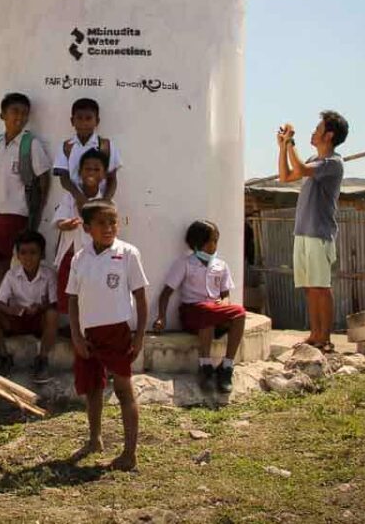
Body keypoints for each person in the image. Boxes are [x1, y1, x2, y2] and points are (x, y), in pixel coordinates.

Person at [66, 200, 148, 471]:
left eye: (112, 221)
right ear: (87, 227)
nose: (109, 227)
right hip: (88, 333)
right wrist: (76, 336)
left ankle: (129, 453)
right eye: (101, 223)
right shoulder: (79, 258)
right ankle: (94, 439)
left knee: (124, 391)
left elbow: (140, 296)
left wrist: (139, 337)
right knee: (92, 389)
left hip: (117, 332)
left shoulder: (128, 253)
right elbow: (73, 300)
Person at [277, 110, 348, 352]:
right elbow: (285, 176)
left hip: (319, 233)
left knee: (321, 286)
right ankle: (315, 334)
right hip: (303, 232)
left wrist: (290, 143)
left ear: (329, 135)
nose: (314, 132)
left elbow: (299, 168)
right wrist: (282, 147)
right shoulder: (314, 160)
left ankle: (325, 338)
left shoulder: (332, 163)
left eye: (318, 129)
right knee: (309, 286)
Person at [153, 221, 246, 393]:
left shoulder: (221, 265)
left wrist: (225, 303)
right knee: (206, 311)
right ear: (196, 243)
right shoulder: (185, 263)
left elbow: (225, 294)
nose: (213, 246)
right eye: (209, 241)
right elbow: (166, 293)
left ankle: (226, 366)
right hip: (193, 313)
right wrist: (161, 317)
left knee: (239, 312)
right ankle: (205, 365)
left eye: (216, 241)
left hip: (212, 311)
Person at [0, 92, 52, 315]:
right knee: (1, 261)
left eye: (24, 113)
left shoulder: (31, 144)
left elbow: (44, 177)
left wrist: (36, 211)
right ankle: (2, 305)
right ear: (3, 115)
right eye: (14, 112)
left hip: (17, 210)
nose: (19, 117)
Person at [0, 230, 59, 382]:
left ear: (42, 255)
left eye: (33, 252)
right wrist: (11, 309)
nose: (28, 257)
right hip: (16, 318)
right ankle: (4, 357)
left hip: (38, 320)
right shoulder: (11, 275)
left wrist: (40, 307)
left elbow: (54, 303)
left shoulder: (49, 275)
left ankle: (42, 359)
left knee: (52, 314)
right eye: (23, 253)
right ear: (17, 256)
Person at [54, 149, 108, 315]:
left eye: (96, 169)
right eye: (87, 169)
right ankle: (73, 329)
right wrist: (66, 224)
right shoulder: (70, 197)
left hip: (92, 258)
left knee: (89, 296)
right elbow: (59, 221)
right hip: (70, 256)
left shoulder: (104, 202)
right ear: (80, 172)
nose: (91, 173)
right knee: (68, 296)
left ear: (103, 175)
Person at [53, 97, 122, 205]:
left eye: (88, 118)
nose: (84, 123)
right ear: (72, 121)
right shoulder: (66, 147)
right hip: (73, 202)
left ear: (97, 121)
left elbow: (112, 178)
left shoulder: (106, 146)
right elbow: (64, 179)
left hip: (99, 201)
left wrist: (105, 201)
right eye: (79, 118)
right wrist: (80, 198)